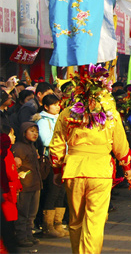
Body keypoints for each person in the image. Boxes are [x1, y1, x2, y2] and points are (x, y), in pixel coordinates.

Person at [49, 68, 131, 254]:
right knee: (94, 222)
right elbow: (120, 143)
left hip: (74, 170)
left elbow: (57, 144)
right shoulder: (110, 114)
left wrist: (56, 169)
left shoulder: (67, 112)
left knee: (76, 221)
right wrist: (126, 165)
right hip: (100, 171)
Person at [34, 94, 67, 238]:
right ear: (46, 106)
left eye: (58, 104)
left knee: (61, 192)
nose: (57, 107)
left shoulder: (61, 118)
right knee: (52, 192)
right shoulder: (42, 121)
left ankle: (58, 223)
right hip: (50, 160)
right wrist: (62, 140)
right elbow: (46, 140)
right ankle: (48, 226)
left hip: (63, 158)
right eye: (54, 104)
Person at [12, 122, 49, 248]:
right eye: (32, 131)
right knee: (23, 213)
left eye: (36, 132)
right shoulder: (19, 147)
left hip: (35, 184)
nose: (35, 134)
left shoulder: (32, 146)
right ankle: (21, 237)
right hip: (25, 186)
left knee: (32, 213)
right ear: (24, 133)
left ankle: (29, 235)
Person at [1, 124, 21, 253]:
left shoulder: (7, 151)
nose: (14, 137)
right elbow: (9, 173)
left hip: (8, 190)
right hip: (7, 192)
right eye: (11, 134)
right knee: (7, 221)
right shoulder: (5, 152)